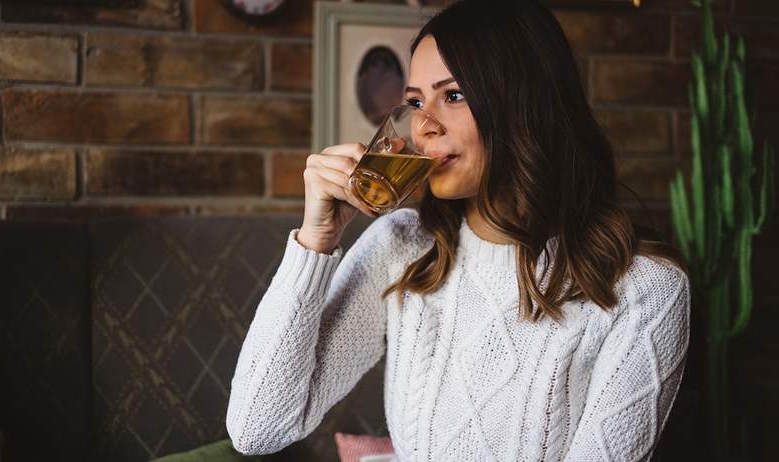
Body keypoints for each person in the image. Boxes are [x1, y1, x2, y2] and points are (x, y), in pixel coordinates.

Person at [226, 1, 691, 461]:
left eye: (453, 95)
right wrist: (314, 242)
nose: (423, 126)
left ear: (524, 104)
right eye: (413, 102)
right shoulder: (402, 246)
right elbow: (257, 429)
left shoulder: (646, 289)